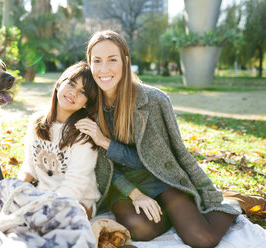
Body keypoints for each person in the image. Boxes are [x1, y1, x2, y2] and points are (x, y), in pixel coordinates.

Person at [75, 30, 242, 248]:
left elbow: (171, 155)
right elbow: (101, 167)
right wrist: (135, 194)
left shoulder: (154, 100)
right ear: (90, 64)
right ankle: (174, 215)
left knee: (203, 239)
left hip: (160, 177)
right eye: (97, 61)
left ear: (125, 62)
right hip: (122, 185)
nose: (104, 69)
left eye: (112, 60)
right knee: (142, 230)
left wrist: (105, 143)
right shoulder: (87, 106)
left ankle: (235, 203)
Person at [17, 61, 101, 219]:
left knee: (50, 221)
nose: (74, 93)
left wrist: (46, 208)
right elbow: (30, 166)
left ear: (87, 103)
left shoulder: (83, 133)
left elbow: (75, 185)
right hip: (40, 196)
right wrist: (18, 187)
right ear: (58, 84)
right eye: (71, 84)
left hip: (77, 202)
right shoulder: (36, 121)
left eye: (83, 92)